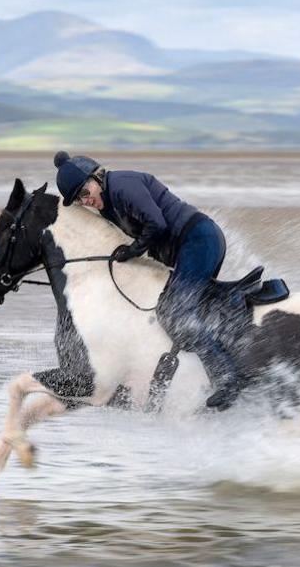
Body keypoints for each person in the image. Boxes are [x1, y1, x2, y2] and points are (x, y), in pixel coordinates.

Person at [53, 150, 244, 410]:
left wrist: (132, 250)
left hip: (198, 239)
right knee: (176, 308)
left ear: (96, 177)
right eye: (79, 200)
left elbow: (157, 224)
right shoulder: (107, 201)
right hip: (190, 246)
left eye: (85, 193)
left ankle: (228, 377)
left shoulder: (122, 186)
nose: (86, 201)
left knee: (174, 312)